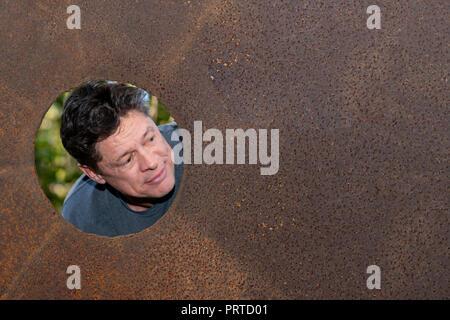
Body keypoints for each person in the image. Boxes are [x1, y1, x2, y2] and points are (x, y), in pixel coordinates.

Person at [60, 80, 183, 237]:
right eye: (127, 160)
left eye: (150, 139)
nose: (151, 162)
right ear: (94, 174)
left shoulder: (205, 148)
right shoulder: (81, 219)